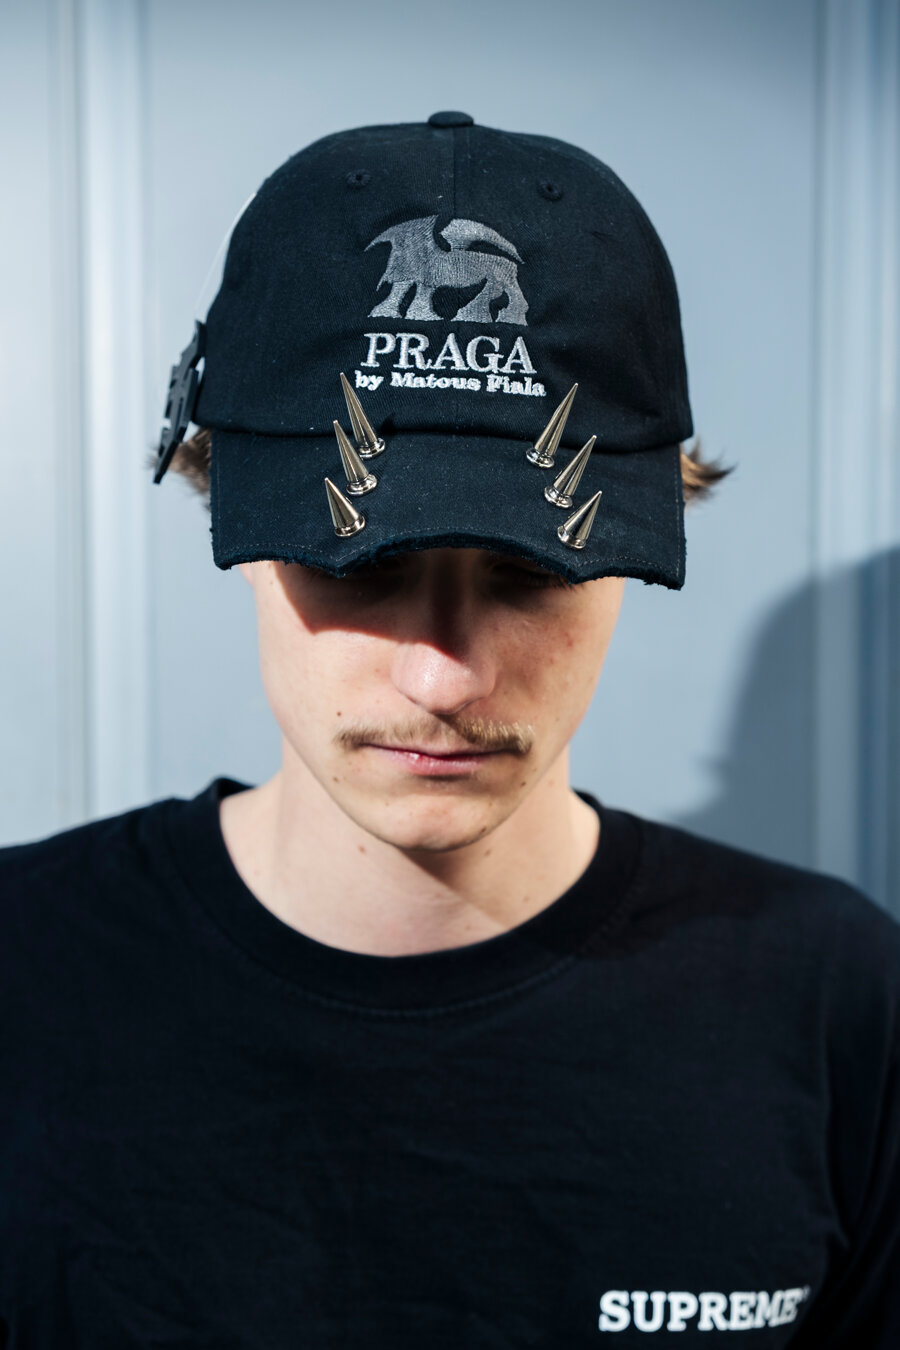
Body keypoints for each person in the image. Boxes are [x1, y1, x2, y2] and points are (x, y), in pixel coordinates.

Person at [1, 111, 898, 1348]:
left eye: (529, 575)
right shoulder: (24, 976)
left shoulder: (836, 1002)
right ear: (233, 520)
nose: (443, 672)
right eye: (360, 566)